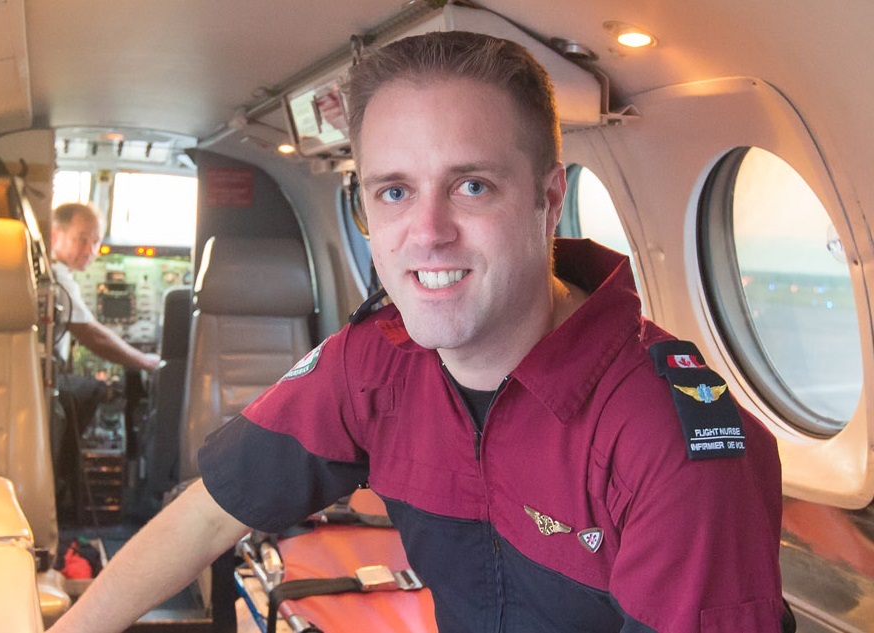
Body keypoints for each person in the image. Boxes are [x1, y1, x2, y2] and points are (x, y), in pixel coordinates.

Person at [47, 32, 787, 633]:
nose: (427, 233)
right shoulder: (377, 363)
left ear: (549, 197)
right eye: (394, 191)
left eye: (472, 186)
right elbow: (208, 516)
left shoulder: (672, 440)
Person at [49, 202, 161, 512]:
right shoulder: (56, 277)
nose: (91, 250)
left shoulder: (58, 274)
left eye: (96, 241)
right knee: (94, 389)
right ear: (54, 235)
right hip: (48, 381)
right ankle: (66, 488)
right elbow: (93, 335)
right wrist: (147, 362)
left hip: (49, 376)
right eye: (82, 239)